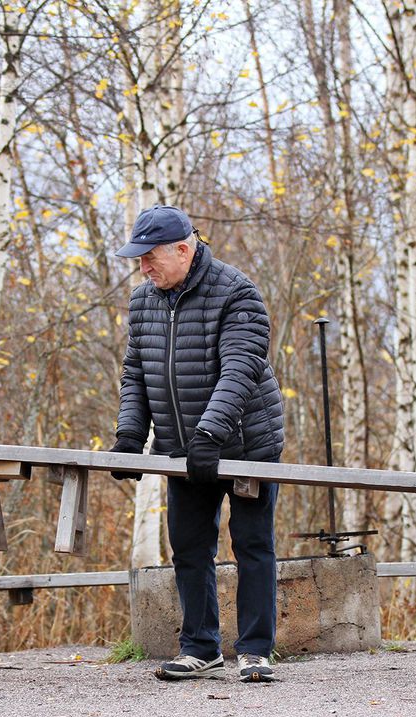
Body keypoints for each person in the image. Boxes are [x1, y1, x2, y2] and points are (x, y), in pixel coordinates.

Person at [111, 205, 285, 683]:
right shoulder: (144, 301)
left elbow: (241, 369)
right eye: (140, 260)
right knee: (188, 547)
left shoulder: (236, 292)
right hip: (181, 446)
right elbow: (137, 374)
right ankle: (201, 646)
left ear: (184, 250)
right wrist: (130, 435)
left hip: (245, 442)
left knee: (251, 544)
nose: (143, 268)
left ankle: (255, 650)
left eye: (150, 258)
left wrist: (211, 434)